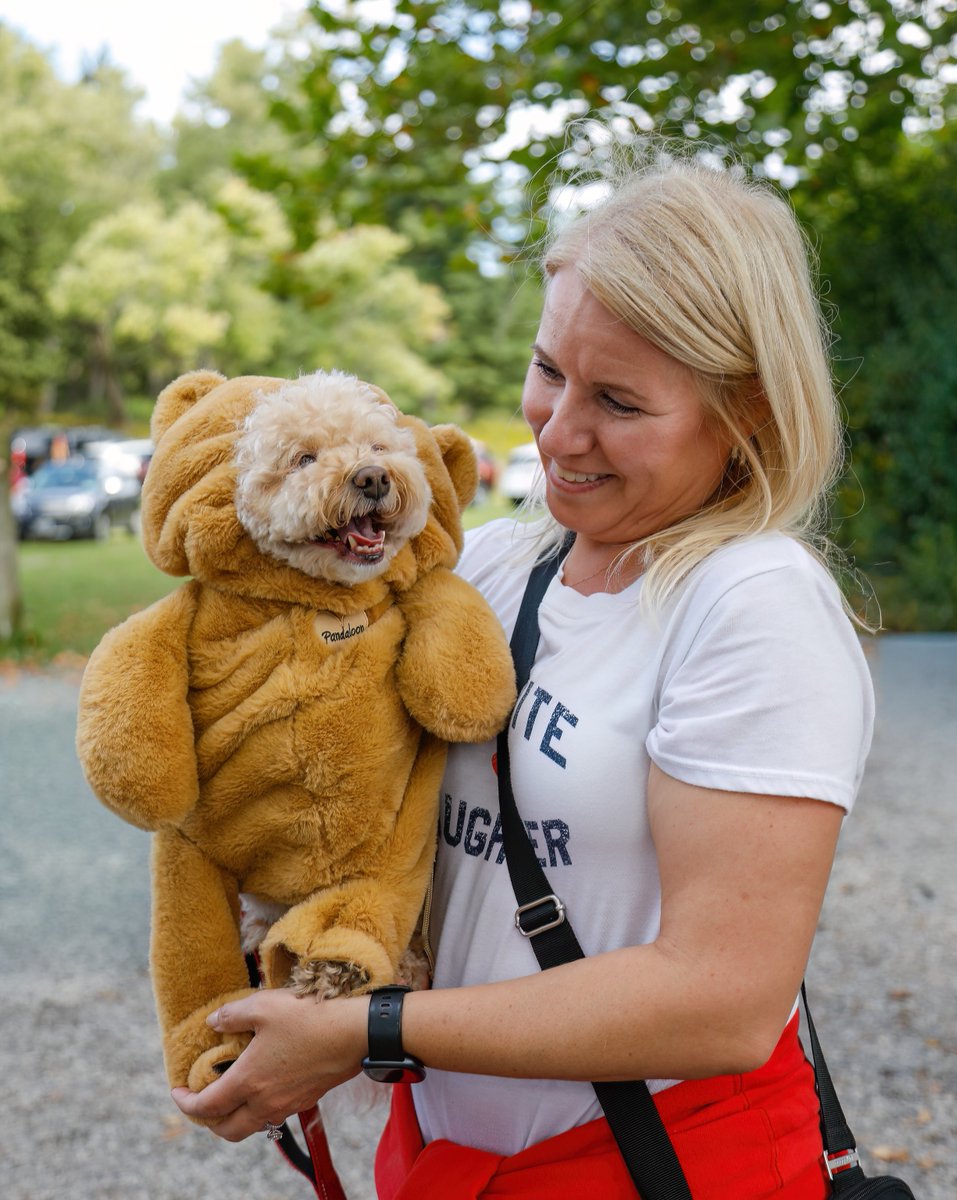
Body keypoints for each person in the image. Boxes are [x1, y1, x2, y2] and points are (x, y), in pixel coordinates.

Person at [172, 151, 875, 1199]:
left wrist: (365, 1031)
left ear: (750, 415)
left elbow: (721, 1000)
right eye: (550, 371)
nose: (558, 430)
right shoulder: (500, 561)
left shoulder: (751, 605)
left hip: (657, 1165)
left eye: (621, 402)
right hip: (450, 1160)